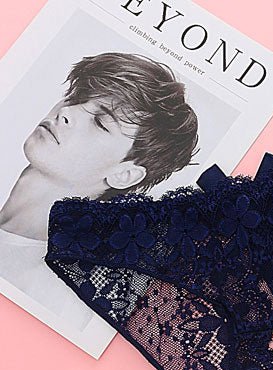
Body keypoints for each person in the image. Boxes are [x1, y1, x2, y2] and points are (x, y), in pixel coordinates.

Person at [0, 52, 198, 329]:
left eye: (101, 123)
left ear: (124, 175)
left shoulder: (55, 297)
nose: (66, 112)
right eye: (75, 98)